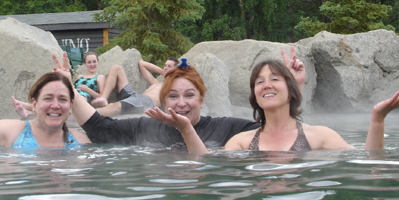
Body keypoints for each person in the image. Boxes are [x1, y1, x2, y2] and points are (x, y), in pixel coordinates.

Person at [146, 59, 399, 154]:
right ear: (254, 95)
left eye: (275, 79)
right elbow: (204, 166)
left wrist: (377, 119)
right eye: (260, 81)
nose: (267, 85)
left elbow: (368, 161)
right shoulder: (241, 142)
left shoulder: (319, 136)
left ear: (290, 91)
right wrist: (186, 130)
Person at [69, 50, 306, 148]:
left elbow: (276, 130)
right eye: (173, 96)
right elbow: (100, 129)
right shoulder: (146, 126)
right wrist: (67, 89)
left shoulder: (226, 128)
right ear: (163, 102)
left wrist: (295, 87)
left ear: (202, 100)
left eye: (189, 95)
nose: (181, 102)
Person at [13, 55, 180, 118]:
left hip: (144, 103)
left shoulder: (172, 85)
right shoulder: (157, 82)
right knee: (116, 68)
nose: (165, 68)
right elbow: (141, 64)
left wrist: (172, 73)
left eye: (168, 66)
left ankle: (32, 109)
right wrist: (164, 71)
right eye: (164, 65)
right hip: (134, 96)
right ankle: (103, 98)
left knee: (114, 109)